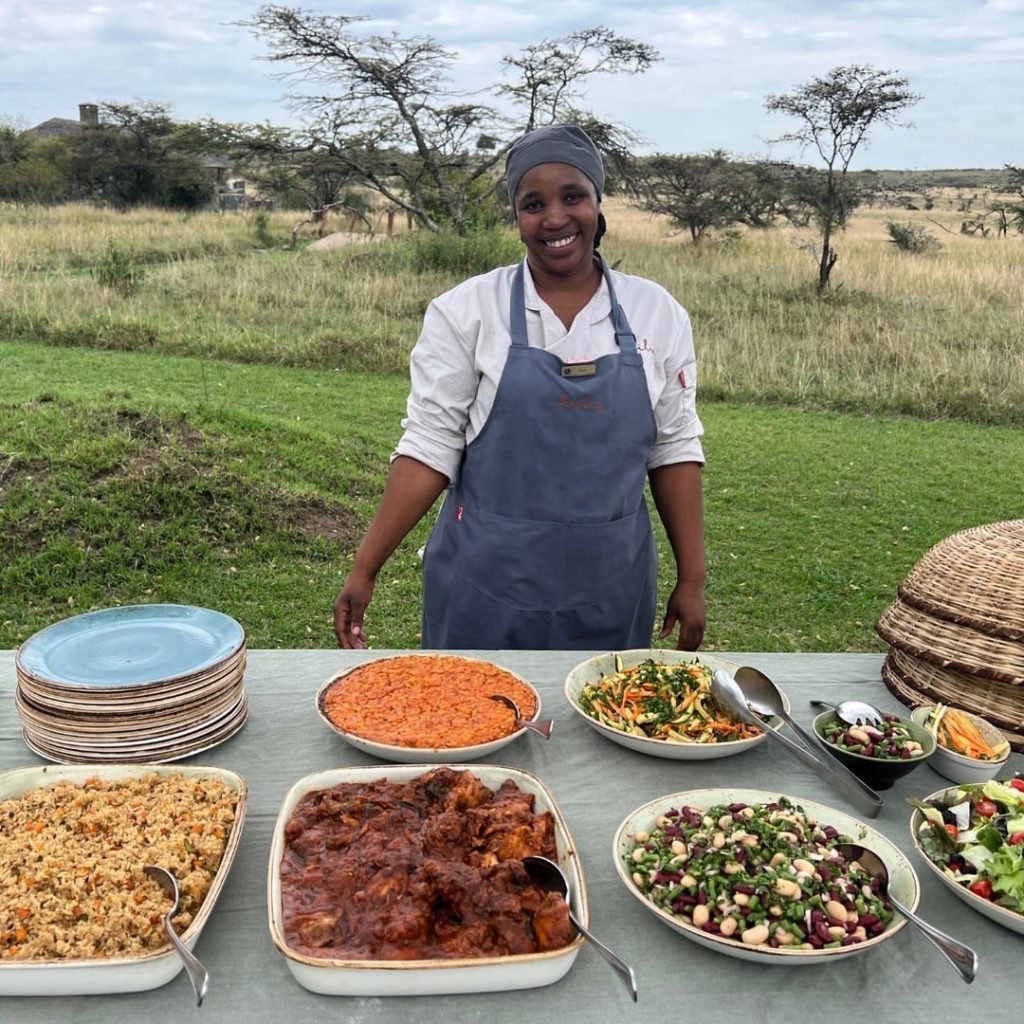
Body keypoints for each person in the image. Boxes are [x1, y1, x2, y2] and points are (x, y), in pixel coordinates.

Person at [333, 124, 706, 652]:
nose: (554, 218)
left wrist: (692, 579)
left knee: (602, 719)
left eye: (572, 196)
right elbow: (429, 447)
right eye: (533, 204)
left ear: (598, 203)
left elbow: (673, 447)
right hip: (484, 584)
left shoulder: (656, 313)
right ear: (516, 216)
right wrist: (365, 568)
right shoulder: (467, 311)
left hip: (611, 585)